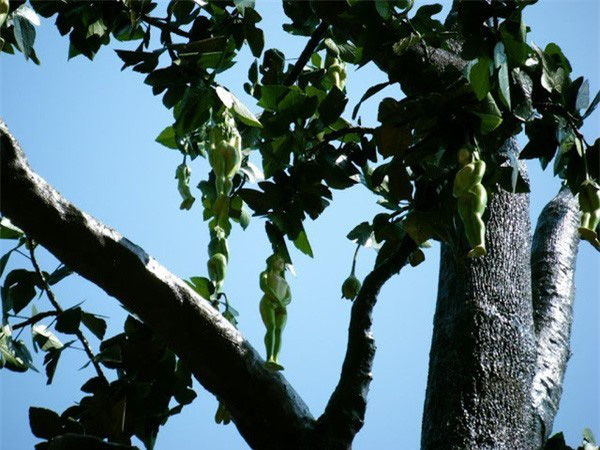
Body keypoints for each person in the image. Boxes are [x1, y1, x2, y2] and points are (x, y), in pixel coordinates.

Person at [453, 147, 488, 258]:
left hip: (476, 191)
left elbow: (477, 177)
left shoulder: (479, 163)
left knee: (475, 215)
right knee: (467, 222)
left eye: (463, 151)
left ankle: (481, 243)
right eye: (459, 154)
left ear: (471, 153)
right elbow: (454, 191)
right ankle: (475, 247)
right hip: (463, 198)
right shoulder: (458, 172)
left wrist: (467, 189)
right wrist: (462, 193)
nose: (461, 154)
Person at [259, 254, 291, 371]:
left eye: (283, 262)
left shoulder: (285, 282)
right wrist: (277, 301)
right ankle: (269, 358)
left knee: (278, 330)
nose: (282, 264)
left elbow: (289, 297)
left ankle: (276, 358)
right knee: (271, 327)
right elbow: (264, 287)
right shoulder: (266, 274)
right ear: (272, 262)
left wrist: (281, 304)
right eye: (279, 261)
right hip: (268, 302)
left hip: (282, 308)